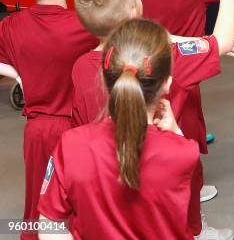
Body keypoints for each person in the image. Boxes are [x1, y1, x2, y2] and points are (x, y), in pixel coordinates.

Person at [71, 0, 234, 239]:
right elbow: (221, 42)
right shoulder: (161, 55)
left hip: (108, 171)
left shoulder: (80, 67)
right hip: (160, 164)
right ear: (133, 12)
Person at [37, 18, 212, 239]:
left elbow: (49, 226)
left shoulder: (70, 146)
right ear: (167, 83)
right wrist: (176, 134)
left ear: (104, 77)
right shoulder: (183, 153)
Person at [0, 0, 97, 239]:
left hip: (37, 132)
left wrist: (16, 75)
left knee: (39, 204)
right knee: (81, 200)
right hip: (76, 129)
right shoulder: (84, 24)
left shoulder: (11, 26)